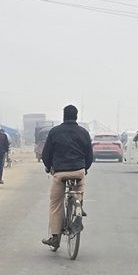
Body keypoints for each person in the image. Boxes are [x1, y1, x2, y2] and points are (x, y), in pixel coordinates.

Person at [41, 105, 94, 249]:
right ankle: (78, 205)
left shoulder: (55, 132)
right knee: (79, 189)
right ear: (76, 116)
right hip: (78, 171)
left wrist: (49, 167)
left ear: (64, 116)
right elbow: (90, 156)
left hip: (60, 173)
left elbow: (46, 154)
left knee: (56, 204)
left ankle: (55, 237)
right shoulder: (83, 133)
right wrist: (84, 169)